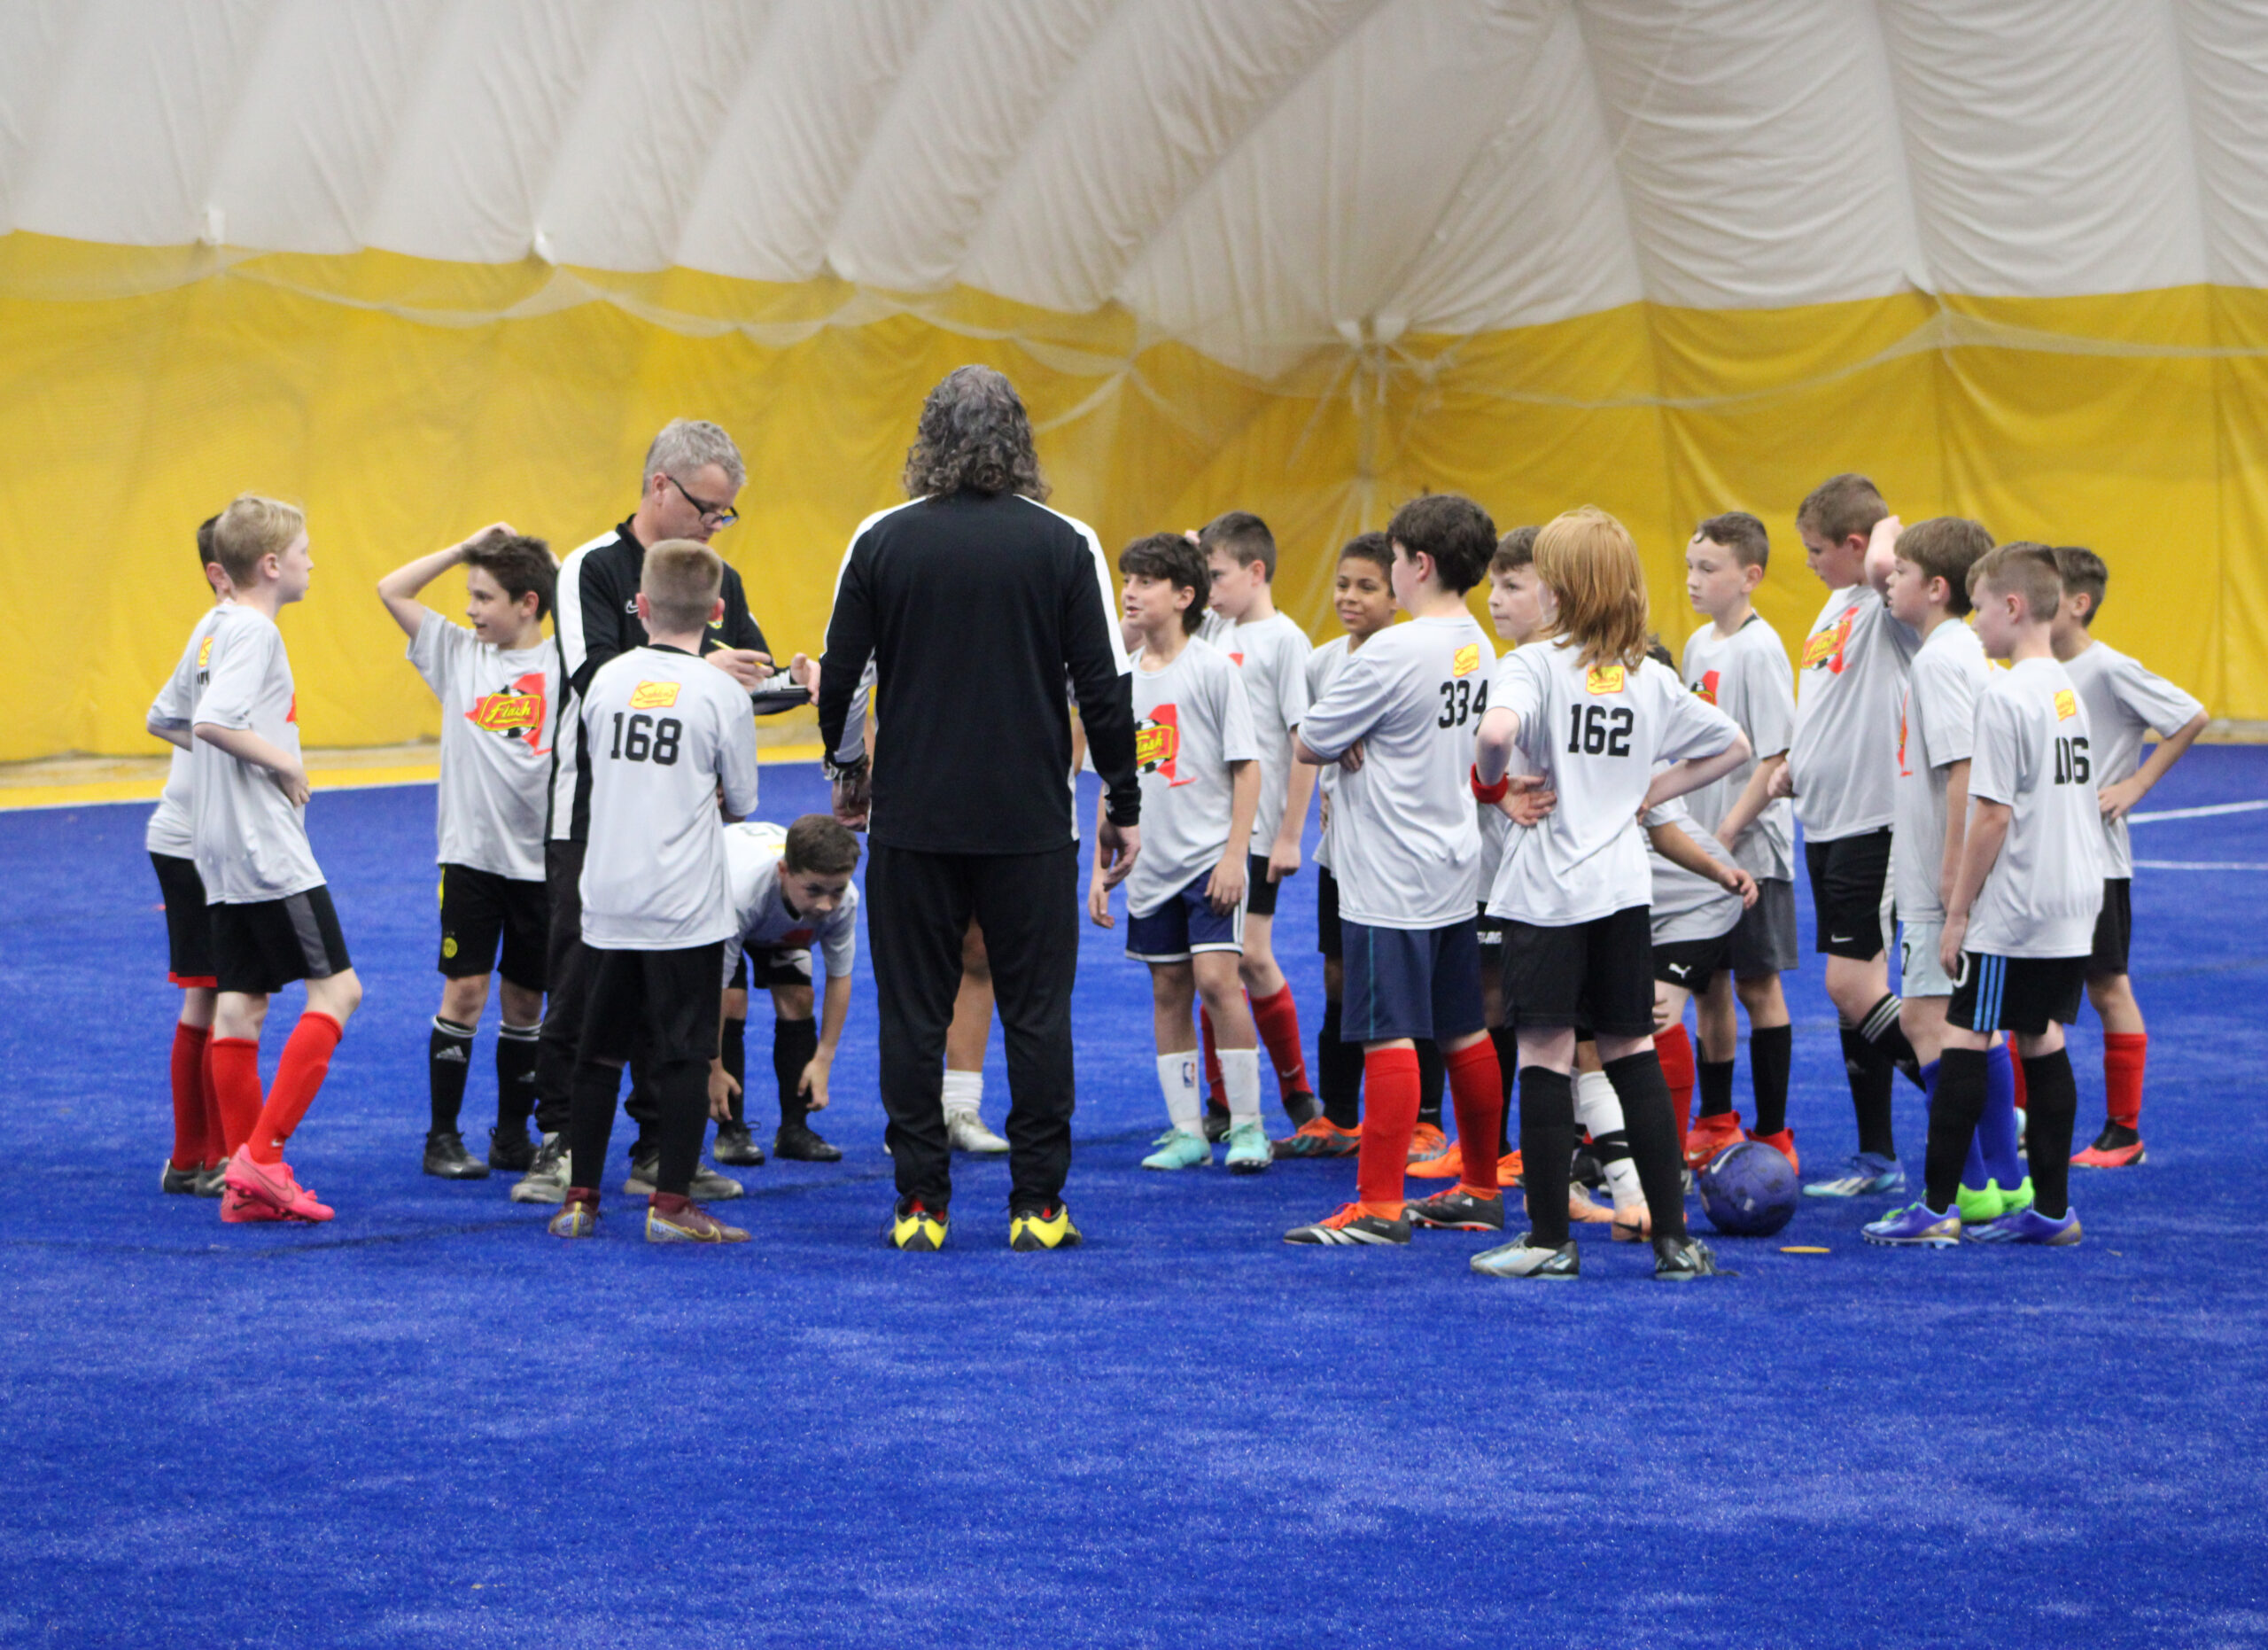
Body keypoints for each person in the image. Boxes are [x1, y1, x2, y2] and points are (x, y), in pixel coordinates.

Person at [817, 365, 1139, 1254]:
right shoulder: (1066, 541)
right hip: (1030, 822)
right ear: (1021, 441)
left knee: (912, 1013)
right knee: (1038, 1014)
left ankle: (920, 1203)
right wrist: (1123, 796)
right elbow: (1104, 689)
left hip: (914, 819)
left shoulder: (880, 536)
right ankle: (1038, 1205)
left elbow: (841, 678)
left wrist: (847, 769)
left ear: (928, 438)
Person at [517, 418, 806, 1206]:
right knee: (582, 982)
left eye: (725, 513)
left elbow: (747, 684)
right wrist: (703, 664)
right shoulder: (591, 568)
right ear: (658, 486)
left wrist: (796, 682)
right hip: (594, 815)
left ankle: (656, 1147)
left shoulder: (717, 576)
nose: (715, 524)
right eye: (707, 508)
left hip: (683, 824)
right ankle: (560, 1142)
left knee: (674, 992)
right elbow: (592, 678)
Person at [1467, 506, 1749, 1281]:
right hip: (1623, 889)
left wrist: (1494, 790)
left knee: (1544, 1055)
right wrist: (1650, 790)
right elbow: (1735, 746)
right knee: (1633, 1052)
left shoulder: (1532, 664)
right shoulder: (1648, 675)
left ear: (1557, 589)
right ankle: (1674, 1241)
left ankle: (1549, 1239)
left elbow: (1494, 736)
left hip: (1547, 893)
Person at [1281, 494, 1508, 1247]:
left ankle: (1378, 1204)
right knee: (1463, 1030)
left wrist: (1350, 731)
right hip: (1451, 860)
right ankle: (1480, 1187)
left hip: (1388, 870)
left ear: (1420, 565)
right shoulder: (1478, 641)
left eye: (1397, 559)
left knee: (1387, 1035)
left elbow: (1311, 739)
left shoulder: (1392, 650)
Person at [1864, 543, 2102, 1247]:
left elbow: (1991, 814)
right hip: (2071, 897)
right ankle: (2052, 1211)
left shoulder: (2004, 695)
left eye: (1984, 609)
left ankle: (1939, 1206)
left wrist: (1958, 910)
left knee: (1963, 1038)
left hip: (2017, 903)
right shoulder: (2065, 690)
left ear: (2013, 607)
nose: (1977, 624)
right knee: (2041, 1037)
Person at [548, 541, 763, 1244]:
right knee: (683, 1054)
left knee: (598, 1052)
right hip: (684, 906)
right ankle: (670, 1204)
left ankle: (580, 1200)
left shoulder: (605, 682)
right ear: (718, 611)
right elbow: (743, 802)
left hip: (608, 896)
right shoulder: (722, 694)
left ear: (639, 607)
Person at [190, 495, 365, 1224]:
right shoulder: (256, 632)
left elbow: (166, 717)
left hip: (218, 845)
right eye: (302, 553)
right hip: (265, 845)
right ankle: (261, 1158)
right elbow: (209, 722)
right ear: (270, 565)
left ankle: (243, 1190)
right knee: (339, 992)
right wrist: (282, 764)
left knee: (241, 1002)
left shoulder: (211, 625)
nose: (310, 563)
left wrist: (236, 766)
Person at [376, 525, 559, 1179]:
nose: (470, 609)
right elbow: (392, 589)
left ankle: (512, 1136)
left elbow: (583, 602)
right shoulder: (458, 654)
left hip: (543, 865)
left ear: (529, 603)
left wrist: (549, 565)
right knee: (466, 990)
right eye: (470, 595)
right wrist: (463, 550)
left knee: (526, 1003)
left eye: (484, 597)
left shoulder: (567, 661)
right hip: (472, 860)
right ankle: (442, 1138)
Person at [1087, 533, 1269, 1173]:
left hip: (1209, 859)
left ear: (1185, 596)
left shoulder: (1214, 669)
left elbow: (1247, 768)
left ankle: (1248, 1127)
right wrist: (1098, 872)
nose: (1130, 593)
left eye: (1146, 581)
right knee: (1168, 988)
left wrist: (1235, 856)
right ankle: (1187, 1131)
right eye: (1126, 580)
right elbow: (1114, 780)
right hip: (1150, 867)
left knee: (1218, 981)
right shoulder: (1120, 681)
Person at [1766, 475, 1925, 1199]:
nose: (1807, 562)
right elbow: (1832, 698)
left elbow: (1888, 559)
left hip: (1874, 819)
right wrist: (1799, 763)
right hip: (1827, 820)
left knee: (1850, 984)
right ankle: (1878, 1158)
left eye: (1816, 549)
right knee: (1853, 995)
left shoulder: (1891, 601)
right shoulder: (1836, 604)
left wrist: (1884, 528)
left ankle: (1981, 1103)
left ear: (1857, 545)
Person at [1876, 518, 2028, 1225]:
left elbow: (1964, 771)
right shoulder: (1964, 651)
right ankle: (2005, 1182)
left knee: (1925, 1021)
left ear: (1936, 588)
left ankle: (1965, 1188)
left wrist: (1949, 881)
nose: (1888, 580)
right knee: (1973, 1029)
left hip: (1940, 878)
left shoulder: (1939, 661)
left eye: (1901, 572)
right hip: (1953, 871)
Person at [2050, 547, 2210, 1169]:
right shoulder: (2030, 671)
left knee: (2106, 984)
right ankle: (2028, 1122)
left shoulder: (2109, 668)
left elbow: (2190, 716)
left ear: (2077, 603)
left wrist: (2136, 785)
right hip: (2041, 858)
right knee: (2029, 989)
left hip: (2096, 858)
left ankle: (2124, 1132)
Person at [1410, 525, 1537, 1187]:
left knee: (1532, 1010)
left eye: (1513, 586)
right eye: (1496, 584)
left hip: (1533, 864)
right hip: (1485, 859)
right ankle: (1490, 1143)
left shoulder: (1541, 668)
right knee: (1484, 999)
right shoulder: (1490, 659)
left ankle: (1540, 1145)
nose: (1495, 598)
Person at [1191, 511, 1319, 1132]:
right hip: (1205, 829)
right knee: (1210, 961)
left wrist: (1290, 835)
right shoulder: (1212, 627)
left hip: (1259, 830)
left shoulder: (1286, 641)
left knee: (1253, 957)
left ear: (1256, 571)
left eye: (1217, 576)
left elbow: (1304, 746)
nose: (1209, 589)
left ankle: (1297, 1092)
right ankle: (1221, 1101)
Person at [1677, 512, 1798, 1171]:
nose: (1693, 580)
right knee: (1708, 985)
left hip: (1749, 850)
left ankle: (1774, 1131)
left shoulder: (1760, 648)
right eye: (1690, 567)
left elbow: (1775, 754)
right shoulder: (1700, 645)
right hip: (1706, 851)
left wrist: (1724, 833)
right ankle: (1716, 1118)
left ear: (1750, 577)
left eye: (1708, 569)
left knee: (1757, 985)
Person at [1275, 533, 1394, 1160]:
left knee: (1404, 984)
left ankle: (1423, 1121)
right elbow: (1311, 741)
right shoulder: (1322, 663)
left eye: (1367, 587)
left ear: (1398, 595)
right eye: (1343, 584)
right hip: (1341, 849)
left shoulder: (1410, 658)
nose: (1349, 597)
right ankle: (1339, 1115)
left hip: (1400, 851)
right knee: (1338, 976)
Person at [147, 518, 231, 1197]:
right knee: (224, 996)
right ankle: (212, 1157)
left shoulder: (215, 631)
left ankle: (193, 1158)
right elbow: (168, 718)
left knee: (212, 996)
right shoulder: (227, 634)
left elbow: (161, 717)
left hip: (197, 837)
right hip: (197, 842)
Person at [707, 817, 862, 1162]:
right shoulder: (740, 895)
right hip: (718, 911)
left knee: (798, 998)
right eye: (814, 890)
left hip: (774, 921)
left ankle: (794, 1130)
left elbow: (840, 977)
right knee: (732, 1000)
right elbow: (715, 989)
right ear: (783, 871)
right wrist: (713, 1069)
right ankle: (730, 1131)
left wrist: (824, 1058)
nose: (826, 905)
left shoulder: (846, 901)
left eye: (836, 890)